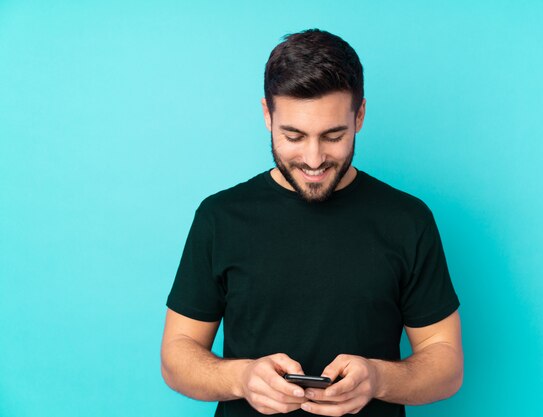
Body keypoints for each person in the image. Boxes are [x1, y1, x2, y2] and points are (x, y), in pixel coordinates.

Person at [160, 28, 463, 417]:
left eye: (333, 135)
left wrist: (378, 378)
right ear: (268, 116)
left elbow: (446, 363)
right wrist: (241, 378)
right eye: (295, 136)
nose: (314, 159)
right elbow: (176, 355)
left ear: (360, 116)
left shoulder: (407, 219)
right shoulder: (219, 217)